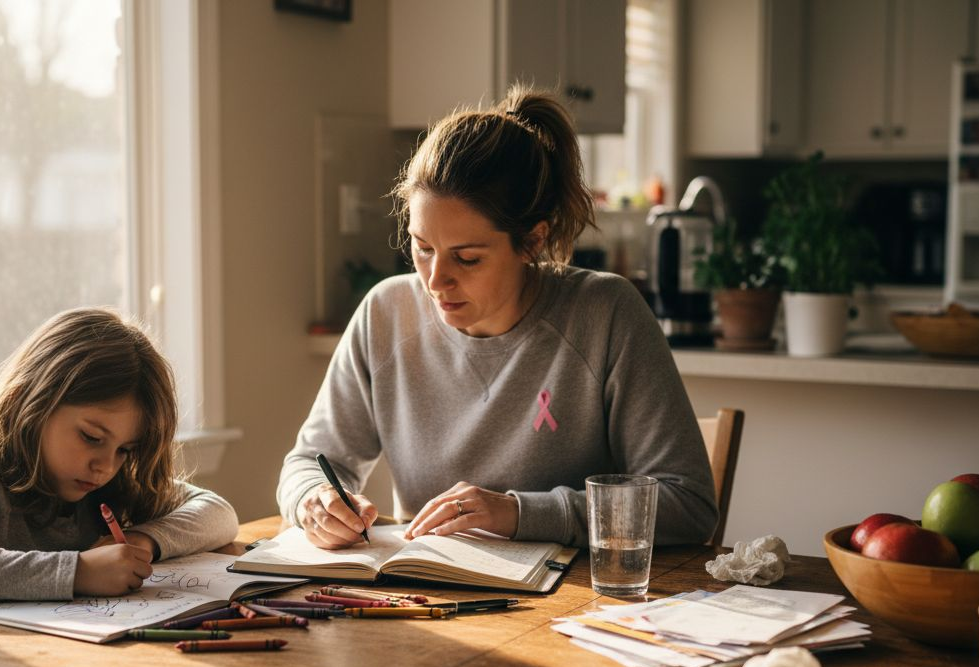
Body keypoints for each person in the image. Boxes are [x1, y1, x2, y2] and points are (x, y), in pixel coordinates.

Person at [277, 85, 718, 550]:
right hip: (425, 597)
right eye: (423, 248)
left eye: (466, 258)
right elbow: (309, 461)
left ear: (532, 241)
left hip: (572, 604)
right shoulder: (385, 314)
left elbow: (688, 506)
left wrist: (518, 513)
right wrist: (315, 498)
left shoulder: (605, 314)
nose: (434, 280)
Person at [0, 308, 239, 611]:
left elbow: (219, 513)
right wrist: (80, 571)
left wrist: (143, 541)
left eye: (125, 449)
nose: (106, 466)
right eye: (91, 437)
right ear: (29, 403)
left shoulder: (109, 486)